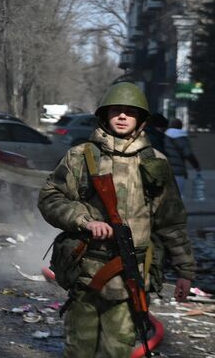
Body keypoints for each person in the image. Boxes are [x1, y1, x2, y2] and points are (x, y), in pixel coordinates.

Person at [39, 82, 195, 358]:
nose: (122, 116)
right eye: (116, 111)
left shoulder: (155, 163)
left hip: (130, 276)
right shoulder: (81, 156)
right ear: (104, 115)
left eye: (129, 112)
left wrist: (185, 271)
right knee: (79, 350)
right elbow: (50, 198)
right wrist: (84, 220)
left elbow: (171, 221)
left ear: (141, 120)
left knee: (118, 351)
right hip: (85, 272)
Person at [164, 118, 201, 197]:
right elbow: (188, 154)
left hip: (165, 170)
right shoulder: (181, 137)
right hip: (178, 171)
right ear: (180, 126)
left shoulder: (164, 136)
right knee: (178, 196)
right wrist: (196, 166)